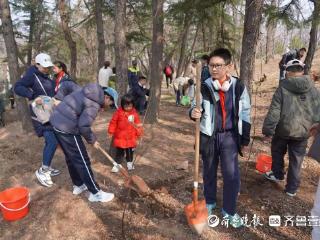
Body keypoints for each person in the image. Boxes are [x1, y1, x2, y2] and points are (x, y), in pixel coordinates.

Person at [189, 48, 251, 228]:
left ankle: (229, 210)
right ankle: (209, 202)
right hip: (208, 136)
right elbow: (194, 105)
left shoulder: (238, 87)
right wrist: (193, 112)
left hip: (230, 136)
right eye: (211, 65)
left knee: (231, 175)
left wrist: (244, 138)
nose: (214, 69)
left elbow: (245, 112)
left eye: (218, 65)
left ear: (228, 66)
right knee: (208, 170)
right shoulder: (203, 85)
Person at [50, 83, 118, 203]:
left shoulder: (87, 91)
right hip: (67, 128)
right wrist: (92, 140)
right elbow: (83, 126)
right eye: (111, 103)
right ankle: (96, 193)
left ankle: (79, 185)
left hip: (56, 122)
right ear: (107, 97)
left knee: (71, 158)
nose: (110, 106)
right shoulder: (94, 104)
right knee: (82, 160)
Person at [263, 59, 320, 197]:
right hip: (304, 132)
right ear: (301, 71)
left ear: (287, 72)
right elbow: (318, 109)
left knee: (277, 152)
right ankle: (291, 189)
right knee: (296, 160)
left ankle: (277, 174)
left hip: (283, 130)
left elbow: (274, 111)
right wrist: (315, 126)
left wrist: (268, 130)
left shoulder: (282, 88)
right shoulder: (313, 89)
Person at [14, 53, 60, 188]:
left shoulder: (46, 75)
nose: (47, 69)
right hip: (40, 115)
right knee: (52, 141)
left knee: (50, 141)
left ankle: (47, 166)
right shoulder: (31, 75)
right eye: (44, 67)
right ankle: (43, 171)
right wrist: (32, 95)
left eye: (48, 66)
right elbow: (17, 87)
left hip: (50, 112)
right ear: (37, 64)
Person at [108, 94, 143, 172]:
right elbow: (113, 122)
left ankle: (129, 163)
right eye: (126, 106)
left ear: (133, 105)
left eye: (130, 106)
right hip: (121, 137)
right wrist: (111, 131)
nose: (128, 108)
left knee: (130, 152)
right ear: (122, 105)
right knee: (119, 153)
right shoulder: (118, 113)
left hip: (131, 138)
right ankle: (117, 164)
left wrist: (139, 133)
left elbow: (138, 125)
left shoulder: (134, 114)